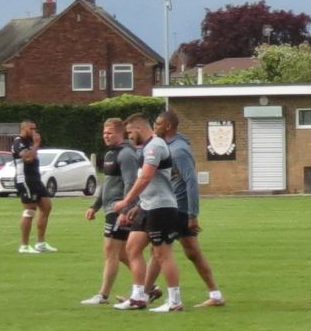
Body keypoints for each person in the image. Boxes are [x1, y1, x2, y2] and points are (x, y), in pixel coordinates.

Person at [109, 113, 187, 312]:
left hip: (161, 207)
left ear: (139, 128)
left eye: (129, 132)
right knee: (132, 247)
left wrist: (126, 201)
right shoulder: (145, 147)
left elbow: (145, 178)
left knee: (162, 254)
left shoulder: (155, 146)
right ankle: (139, 297)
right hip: (147, 206)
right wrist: (138, 206)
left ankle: (175, 301)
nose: (129, 137)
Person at [162, 116, 224, 307]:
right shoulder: (169, 146)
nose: (154, 127)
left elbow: (191, 182)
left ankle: (142, 294)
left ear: (167, 126)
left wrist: (192, 214)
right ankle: (215, 295)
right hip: (174, 207)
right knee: (192, 252)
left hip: (178, 209)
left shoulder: (178, 150)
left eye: (156, 124)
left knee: (160, 250)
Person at [82, 118, 143, 306]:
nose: (106, 136)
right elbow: (107, 183)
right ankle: (149, 287)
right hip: (110, 208)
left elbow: (131, 184)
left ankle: (103, 295)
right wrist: (95, 206)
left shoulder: (126, 154)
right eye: (104, 133)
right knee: (123, 254)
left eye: (109, 133)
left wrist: (125, 209)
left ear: (120, 133)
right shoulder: (110, 153)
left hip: (119, 209)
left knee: (110, 252)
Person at [12, 120, 56, 254]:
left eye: (35, 129)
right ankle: (24, 246)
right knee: (30, 210)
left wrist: (34, 144)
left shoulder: (30, 142)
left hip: (35, 179)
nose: (34, 131)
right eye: (31, 129)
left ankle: (40, 243)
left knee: (46, 206)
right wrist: (36, 145)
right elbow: (28, 158)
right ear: (23, 128)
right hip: (25, 179)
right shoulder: (18, 142)